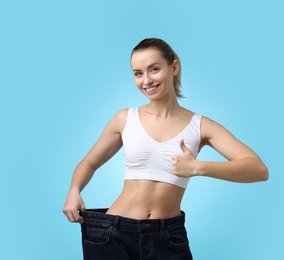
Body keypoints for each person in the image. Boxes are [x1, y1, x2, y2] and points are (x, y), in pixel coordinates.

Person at [62, 38, 269, 260]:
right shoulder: (124, 119)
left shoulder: (201, 126)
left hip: (168, 236)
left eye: (154, 69)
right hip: (114, 233)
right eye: (138, 73)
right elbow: (90, 162)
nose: (146, 80)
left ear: (174, 67)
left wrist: (197, 168)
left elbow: (258, 169)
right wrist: (74, 190)